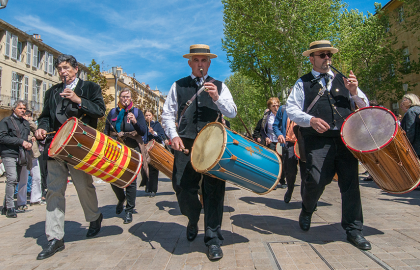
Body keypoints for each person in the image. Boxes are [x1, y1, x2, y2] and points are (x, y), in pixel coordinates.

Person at [286, 40, 371, 250]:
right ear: (311, 58)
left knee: (350, 185)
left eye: (329, 55)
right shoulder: (302, 83)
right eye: (322, 55)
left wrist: (354, 92)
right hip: (317, 140)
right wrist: (310, 121)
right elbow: (291, 109)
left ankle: (353, 229)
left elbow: (365, 105)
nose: (327, 59)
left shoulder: (344, 80)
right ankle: (307, 208)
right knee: (315, 179)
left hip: (345, 140)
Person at [161, 44, 237, 260]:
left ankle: (213, 239)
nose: (200, 64)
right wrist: (173, 135)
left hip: (214, 144)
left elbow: (232, 112)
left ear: (209, 63)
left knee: (214, 191)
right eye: (196, 60)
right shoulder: (178, 85)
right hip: (185, 144)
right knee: (182, 187)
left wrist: (217, 98)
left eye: (204, 60)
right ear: (190, 63)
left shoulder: (220, 86)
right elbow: (167, 114)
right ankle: (193, 217)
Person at [35, 54, 106, 260]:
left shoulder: (90, 88)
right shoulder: (52, 92)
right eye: (59, 68)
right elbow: (45, 117)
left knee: (84, 186)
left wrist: (78, 100)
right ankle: (55, 238)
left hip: (79, 147)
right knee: (54, 191)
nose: (62, 72)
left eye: (66, 67)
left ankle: (94, 217)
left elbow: (99, 111)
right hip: (55, 148)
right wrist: (41, 128)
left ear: (76, 70)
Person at [104, 88, 147, 223]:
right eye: (123, 96)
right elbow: (106, 131)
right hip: (115, 150)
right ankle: (121, 198)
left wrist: (135, 121)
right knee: (112, 177)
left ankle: (129, 210)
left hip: (132, 150)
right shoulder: (112, 112)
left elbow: (143, 131)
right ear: (119, 98)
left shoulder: (136, 112)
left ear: (131, 98)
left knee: (131, 180)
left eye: (127, 96)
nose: (125, 99)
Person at [0, 100, 32, 218]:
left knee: (15, 180)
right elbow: (2, 137)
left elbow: (26, 137)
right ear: (14, 109)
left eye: (24, 109)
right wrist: (21, 142)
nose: (23, 111)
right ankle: (10, 208)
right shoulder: (6, 121)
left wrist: (29, 142)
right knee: (12, 178)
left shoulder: (25, 123)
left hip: (21, 154)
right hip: (8, 153)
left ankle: (5, 206)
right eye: (20, 108)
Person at [273, 99, 307, 203]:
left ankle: (306, 199)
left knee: (306, 172)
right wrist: (279, 134)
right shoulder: (283, 109)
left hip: (304, 143)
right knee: (290, 172)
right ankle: (290, 189)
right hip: (289, 143)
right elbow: (275, 125)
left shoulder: (307, 107)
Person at [141, 109, 165, 197]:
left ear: (153, 116)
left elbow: (161, 137)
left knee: (154, 170)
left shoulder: (157, 125)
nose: (148, 117)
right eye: (146, 115)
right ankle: (148, 186)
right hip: (144, 150)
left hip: (154, 150)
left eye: (149, 115)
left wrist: (154, 133)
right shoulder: (142, 125)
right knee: (145, 169)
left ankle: (153, 190)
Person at [23, 110, 43, 205]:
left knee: (37, 177)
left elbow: (36, 129)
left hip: (33, 153)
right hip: (22, 153)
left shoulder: (29, 123)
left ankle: (35, 198)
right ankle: (21, 201)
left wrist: (29, 121)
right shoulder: (15, 122)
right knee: (23, 178)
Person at [400, 93, 420, 157]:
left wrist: (406, 144)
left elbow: (410, 131)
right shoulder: (418, 109)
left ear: (410, 100)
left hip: (416, 147)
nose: (402, 103)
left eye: (404, 100)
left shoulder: (411, 111)